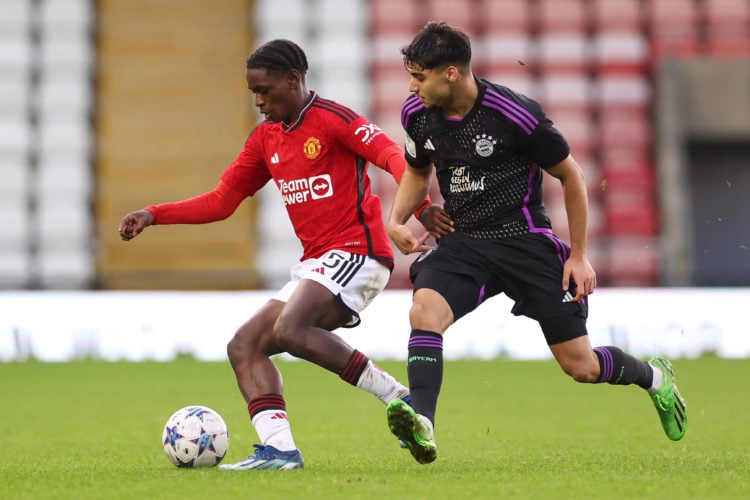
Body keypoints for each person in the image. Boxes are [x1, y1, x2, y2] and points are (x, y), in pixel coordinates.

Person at [118, 39, 451, 470]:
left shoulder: (333, 120)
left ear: (293, 80)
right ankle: (280, 451)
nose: (258, 101)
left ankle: (398, 396)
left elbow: (392, 156)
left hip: (358, 251)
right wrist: (153, 214)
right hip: (318, 263)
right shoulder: (265, 140)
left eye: (264, 90)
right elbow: (222, 200)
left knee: (292, 328)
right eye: (253, 92)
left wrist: (419, 209)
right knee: (244, 345)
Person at [384, 22, 688, 465]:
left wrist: (580, 257)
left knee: (580, 367)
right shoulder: (417, 113)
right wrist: (397, 218)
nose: (412, 85)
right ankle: (423, 423)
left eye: (420, 76)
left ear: (450, 73)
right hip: (465, 242)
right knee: (423, 312)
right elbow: (417, 170)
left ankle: (653, 378)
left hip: (525, 242)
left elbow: (572, 176)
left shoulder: (515, 113)